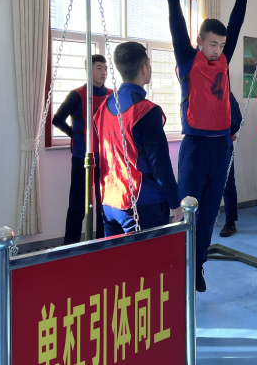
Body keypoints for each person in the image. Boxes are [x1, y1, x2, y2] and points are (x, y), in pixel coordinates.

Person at [162, 0, 255, 292]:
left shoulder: (224, 60)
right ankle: (179, 264)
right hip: (195, 147)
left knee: (210, 215)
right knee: (188, 212)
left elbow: (236, 23)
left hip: (221, 148)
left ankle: (198, 265)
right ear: (200, 41)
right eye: (213, 44)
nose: (217, 50)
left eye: (221, 45)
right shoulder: (188, 59)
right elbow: (175, 19)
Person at [94, 42, 183, 236]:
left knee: (116, 255)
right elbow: (159, 164)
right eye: (149, 65)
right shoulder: (146, 111)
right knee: (147, 255)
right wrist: (175, 203)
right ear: (143, 68)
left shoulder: (104, 106)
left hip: (110, 200)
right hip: (142, 203)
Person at [52, 54, 111, 245]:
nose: (104, 72)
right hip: (82, 157)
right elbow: (57, 119)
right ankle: (71, 246)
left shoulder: (112, 95)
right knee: (78, 203)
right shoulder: (77, 94)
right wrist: (76, 135)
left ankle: (103, 242)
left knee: (105, 203)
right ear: (88, 70)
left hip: (106, 158)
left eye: (105, 68)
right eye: (99, 68)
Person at [219, 92, 242, 238]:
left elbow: (236, 119)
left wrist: (229, 132)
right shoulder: (198, 89)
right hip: (205, 143)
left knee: (227, 183)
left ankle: (230, 222)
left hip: (223, 143)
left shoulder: (226, 93)